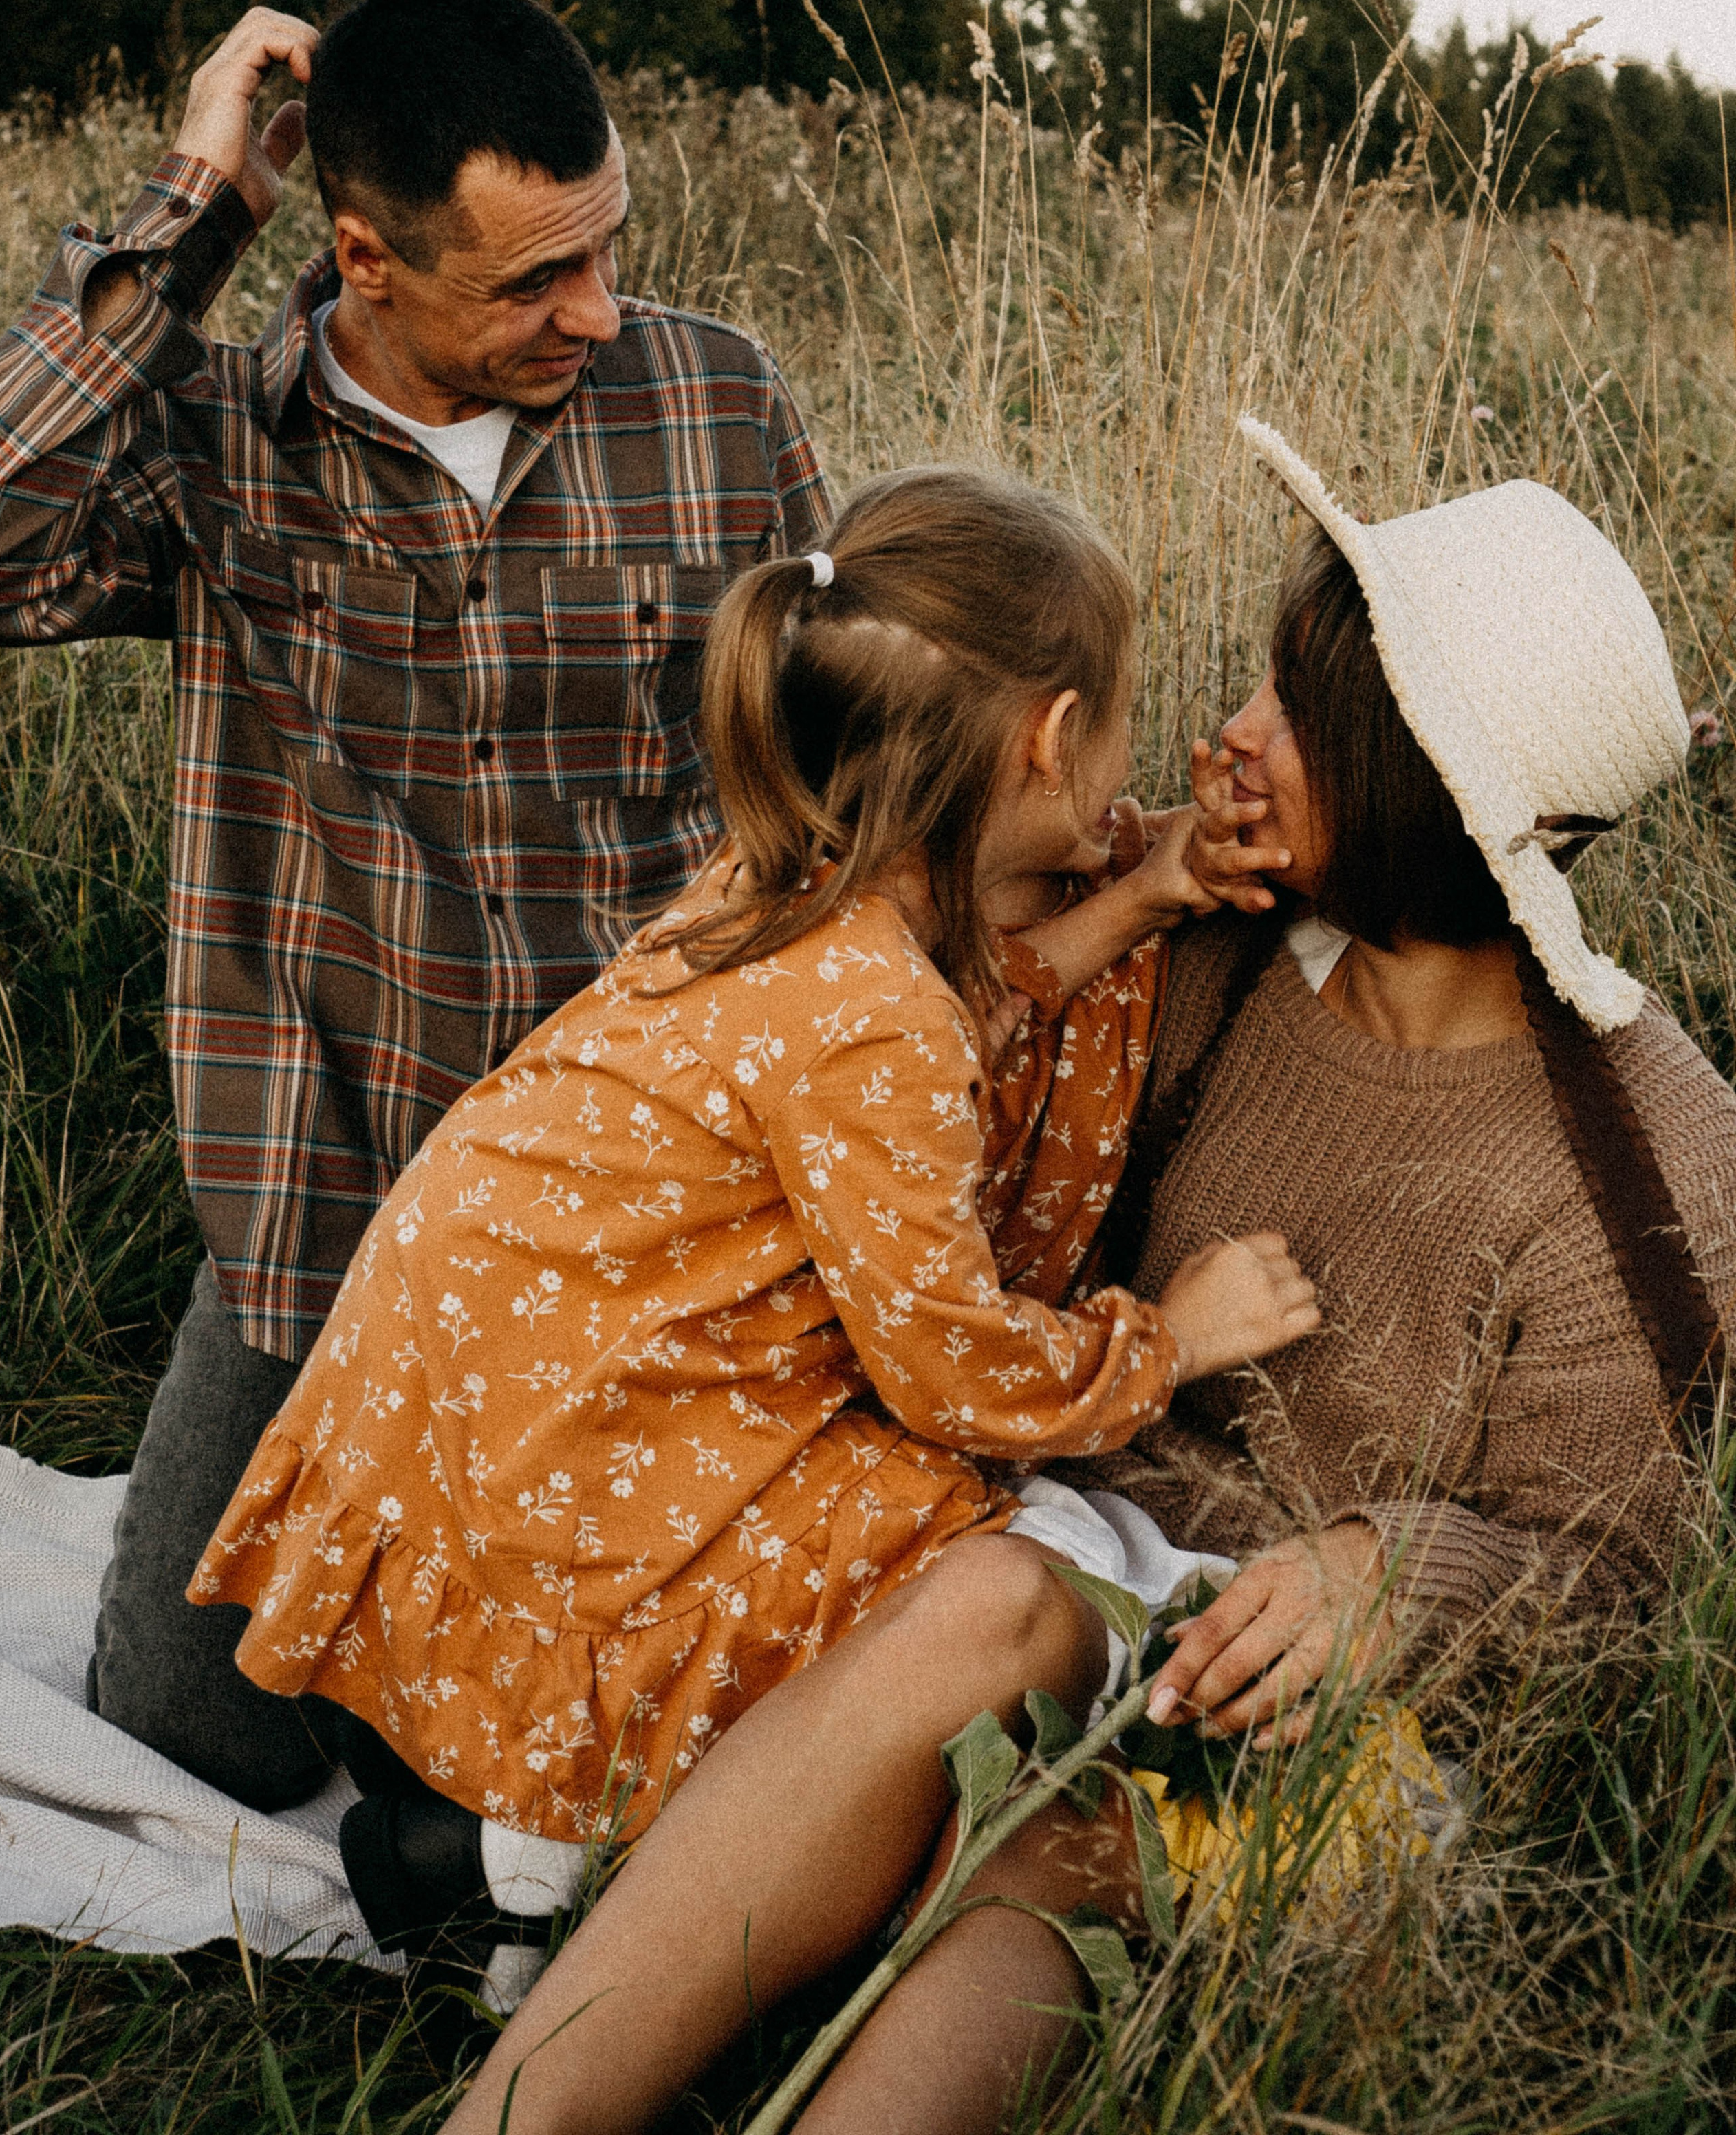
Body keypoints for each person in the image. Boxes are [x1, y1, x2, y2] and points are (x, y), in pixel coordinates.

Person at [193, 462, 1319, 2134]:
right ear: (1047, 736)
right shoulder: (873, 1026)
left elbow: (975, 1002)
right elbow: (959, 1375)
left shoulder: (800, 880)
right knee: (983, 1545)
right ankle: (554, 1851)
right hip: (583, 1467)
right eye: (1121, 732)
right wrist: (1166, 1336)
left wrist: (1141, 888)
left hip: (492, 1407)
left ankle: (511, 1848)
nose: (1134, 774)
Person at [0, 0, 829, 1808]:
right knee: (195, 1727)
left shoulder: (718, 403)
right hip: (331, 1188)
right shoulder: (208, 444)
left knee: (694, 1704)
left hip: (637, 1212)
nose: (594, 312)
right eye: (532, 280)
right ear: (365, 256)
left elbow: (829, 772)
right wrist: (190, 207)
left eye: (608, 250)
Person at [1077, 414, 1736, 1753]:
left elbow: (1616, 1580)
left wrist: (1394, 1571)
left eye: (1297, 715)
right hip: (1048, 1543)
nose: (1233, 734)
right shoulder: (1205, 954)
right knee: (976, 1608)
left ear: (1423, 785)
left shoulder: (1651, 1159)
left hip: (1287, 1704)